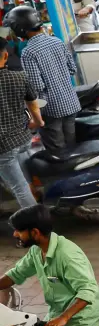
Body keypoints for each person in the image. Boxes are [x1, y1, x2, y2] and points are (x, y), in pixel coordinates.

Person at [9, 7, 78, 152]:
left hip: (50, 108)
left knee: (57, 150)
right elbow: (72, 69)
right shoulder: (56, 41)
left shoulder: (29, 52)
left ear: (19, 28)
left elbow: (36, 86)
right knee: (72, 147)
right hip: (71, 102)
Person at [0, 38, 38, 207]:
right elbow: (33, 105)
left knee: (19, 187)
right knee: (24, 178)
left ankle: (37, 224)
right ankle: (36, 197)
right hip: (23, 139)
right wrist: (38, 122)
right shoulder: (20, 76)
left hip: (4, 147)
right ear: (6, 55)